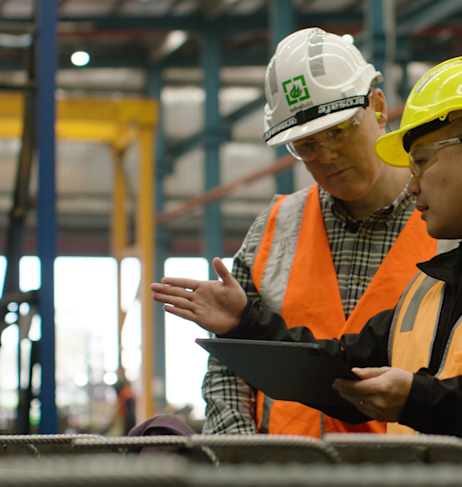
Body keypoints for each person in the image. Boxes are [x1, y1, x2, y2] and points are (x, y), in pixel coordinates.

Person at [153, 55, 462, 446]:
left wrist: (419, 399)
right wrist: (246, 323)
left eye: (422, 163)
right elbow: (337, 373)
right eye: (307, 146)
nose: (413, 186)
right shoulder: (430, 292)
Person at [152, 28, 439, 438]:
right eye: (306, 146)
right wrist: (240, 457)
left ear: (378, 107)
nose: (327, 155)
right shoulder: (275, 228)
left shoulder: (448, 221)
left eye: (339, 131)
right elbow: (230, 368)